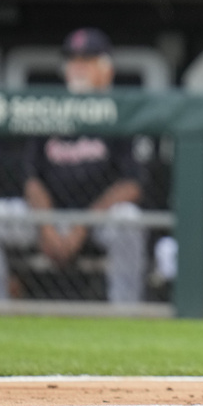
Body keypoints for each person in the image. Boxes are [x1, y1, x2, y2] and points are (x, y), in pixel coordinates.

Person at [23, 28, 148, 303]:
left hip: (100, 221)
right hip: (49, 216)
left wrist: (84, 224)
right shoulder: (49, 110)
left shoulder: (122, 113)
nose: (77, 67)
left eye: (86, 61)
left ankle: (126, 317)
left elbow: (132, 186)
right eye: (72, 60)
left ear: (106, 70)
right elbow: (32, 180)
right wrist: (46, 225)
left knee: (129, 218)